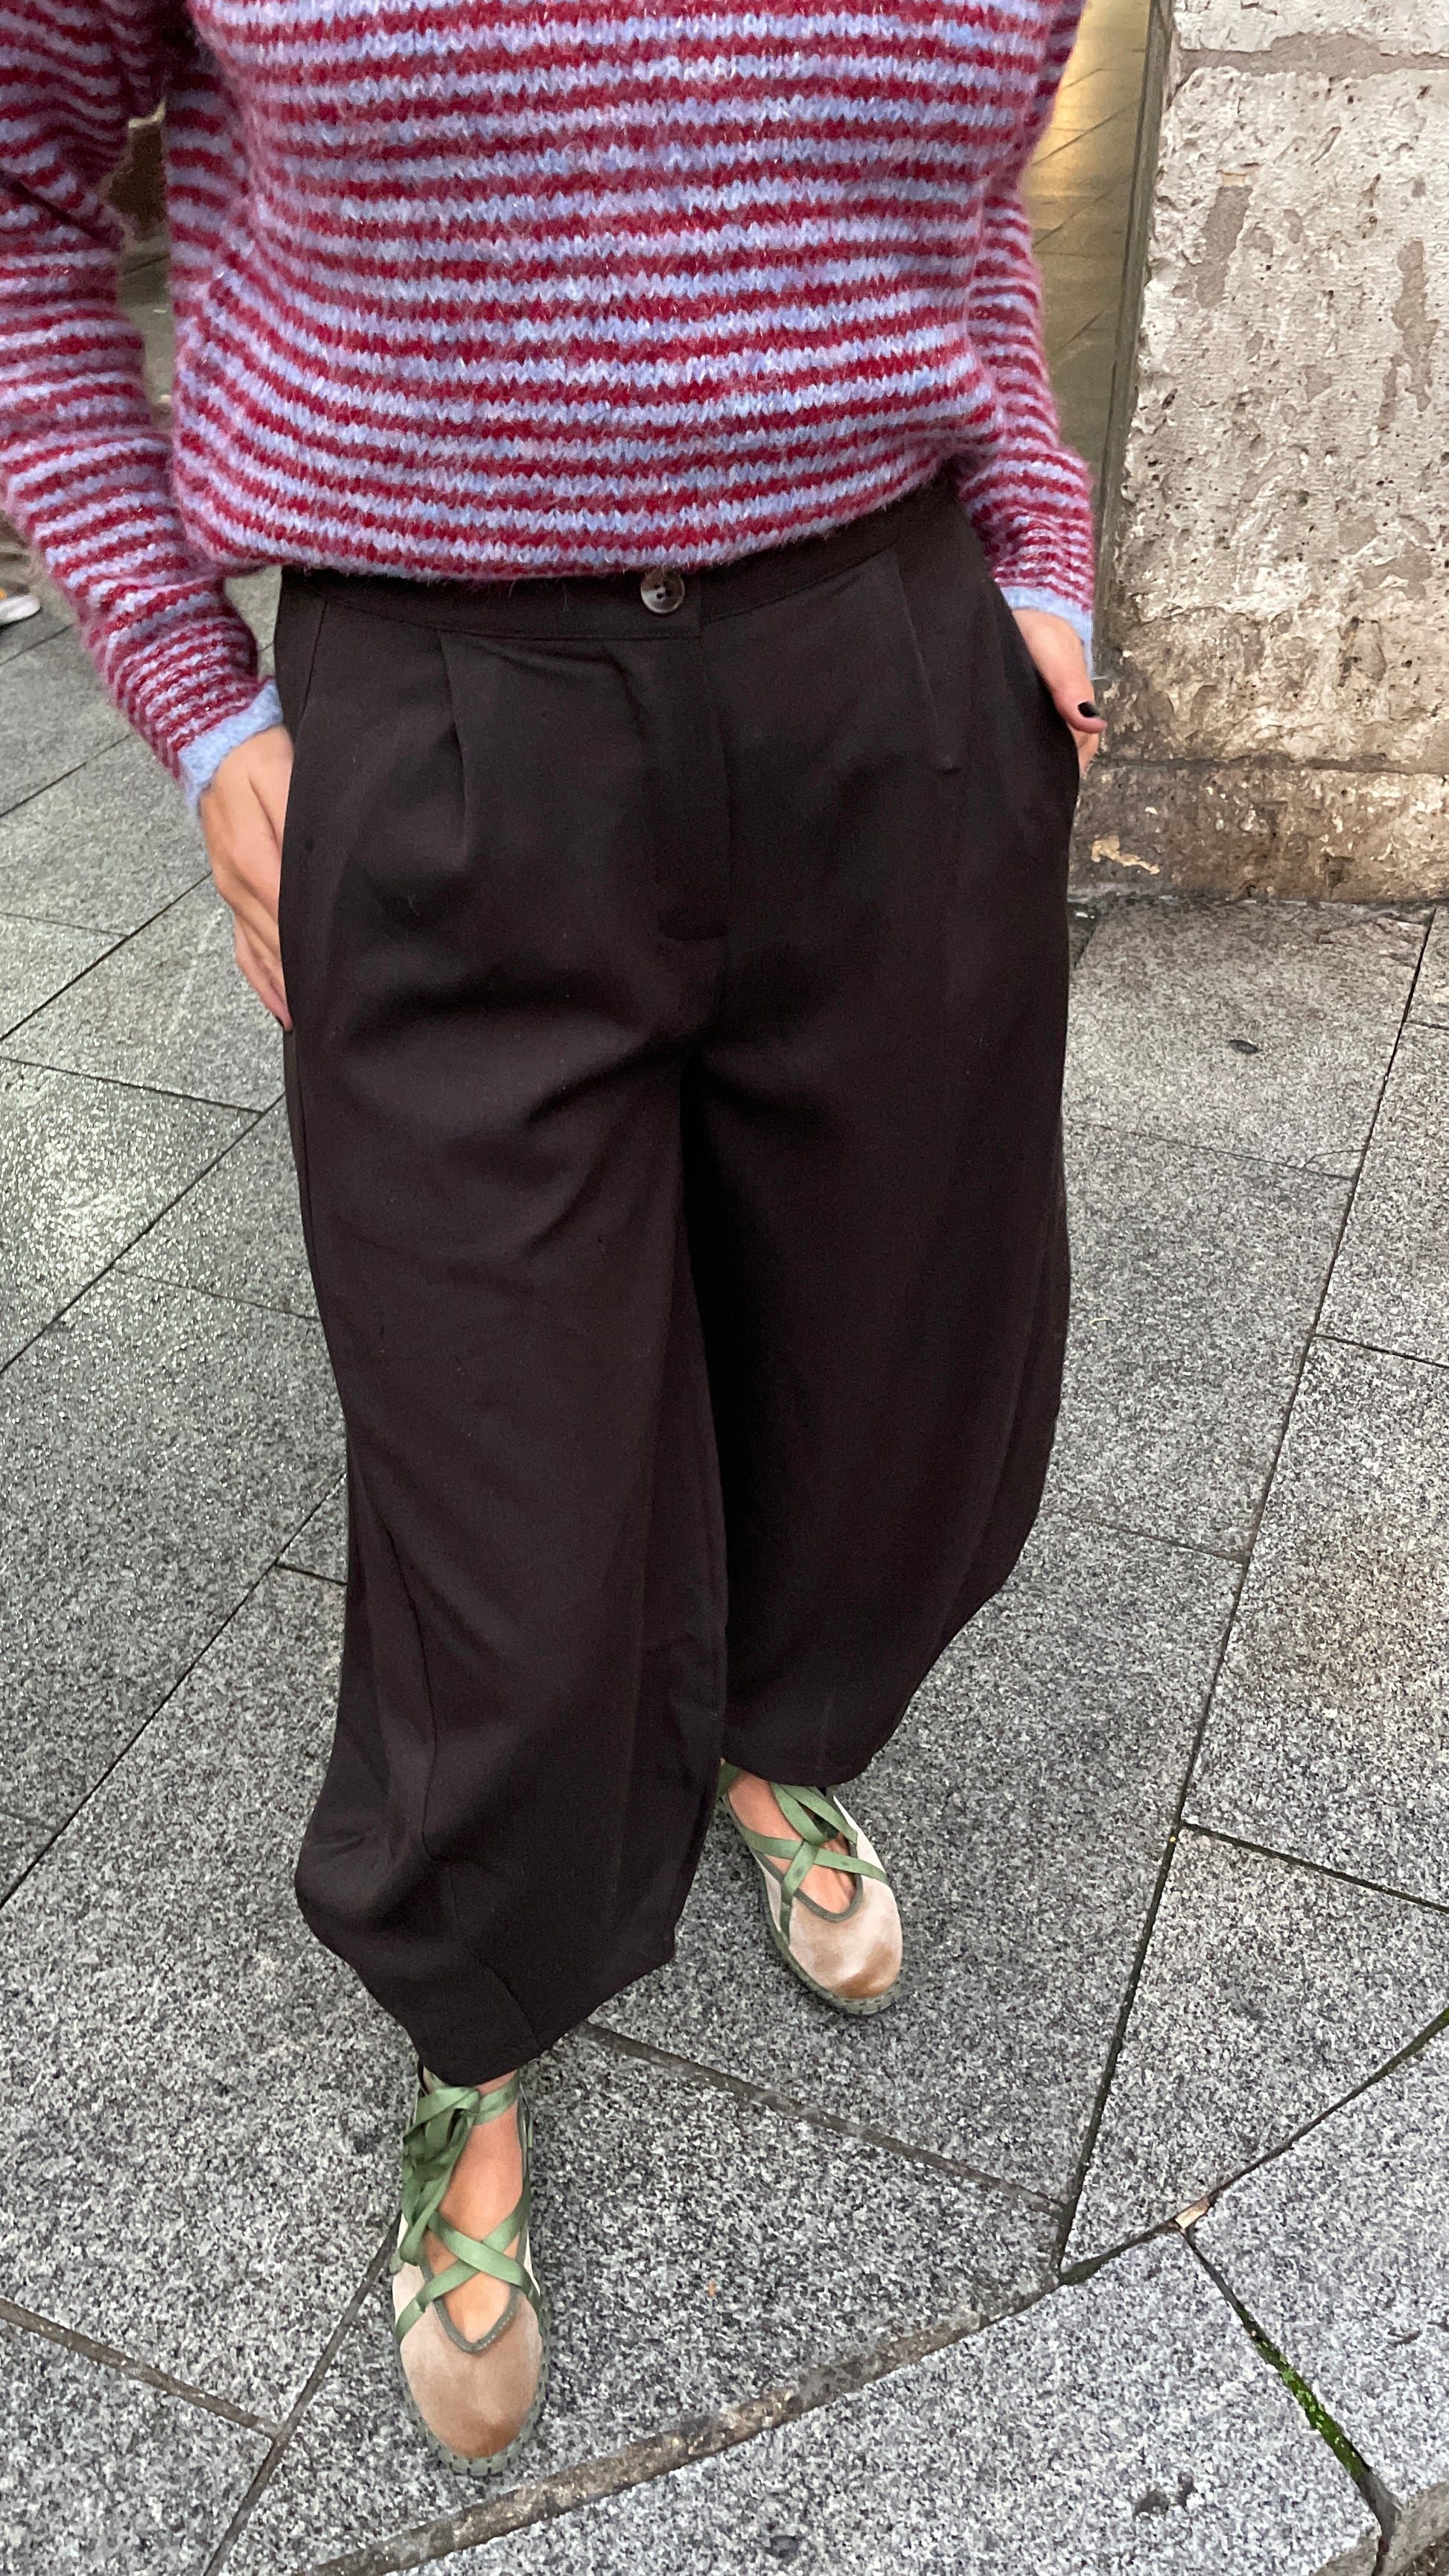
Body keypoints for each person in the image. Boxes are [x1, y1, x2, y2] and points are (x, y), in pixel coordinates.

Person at [0, 0, 1104, 2476]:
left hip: (892, 677)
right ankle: (476, 2012)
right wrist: (192, 686)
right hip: (447, 705)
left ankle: (765, 1733)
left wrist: (1033, 547)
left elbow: (955, 203)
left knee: (887, 1368)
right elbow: (16, 194)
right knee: (496, 1482)